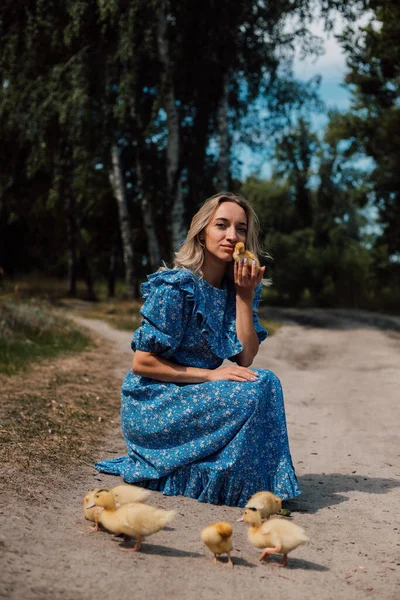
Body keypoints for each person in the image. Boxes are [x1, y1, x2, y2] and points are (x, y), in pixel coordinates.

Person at [95, 192, 300, 507]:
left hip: (195, 396)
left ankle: (247, 482)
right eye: (222, 225)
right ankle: (232, 483)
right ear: (202, 232)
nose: (232, 236)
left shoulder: (235, 288)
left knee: (265, 382)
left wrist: (244, 296)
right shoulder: (176, 288)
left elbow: (245, 357)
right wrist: (211, 376)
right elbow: (142, 364)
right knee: (255, 389)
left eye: (241, 228)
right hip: (155, 404)